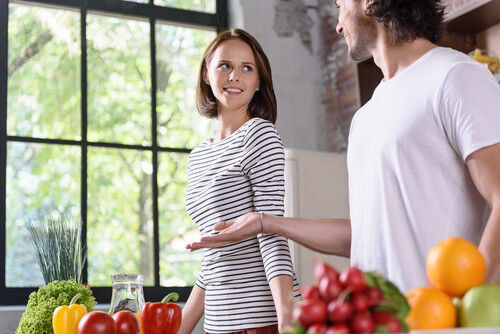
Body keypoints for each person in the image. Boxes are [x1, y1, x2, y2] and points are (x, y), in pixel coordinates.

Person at [188, 0, 500, 294]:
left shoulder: (455, 76)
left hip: (441, 322)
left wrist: (467, 304)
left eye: (339, 6)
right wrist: (266, 223)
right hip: (376, 321)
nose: (338, 26)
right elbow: (364, 236)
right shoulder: (366, 117)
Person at [179, 29, 300, 334]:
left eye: (247, 68)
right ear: (207, 74)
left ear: (259, 82)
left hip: (261, 322)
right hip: (217, 325)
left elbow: (271, 233)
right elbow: (215, 258)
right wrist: (180, 328)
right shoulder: (198, 157)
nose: (235, 76)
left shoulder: (260, 135)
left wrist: (287, 319)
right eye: (225, 66)